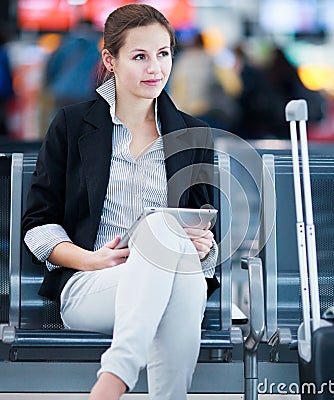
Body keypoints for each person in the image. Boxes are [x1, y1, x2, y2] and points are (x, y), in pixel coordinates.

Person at [21, 4, 219, 400]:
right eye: (140, 56)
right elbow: (37, 225)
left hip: (173, 277)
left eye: (163, 54)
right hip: (92, 283)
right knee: (168, 246)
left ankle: (115, 378)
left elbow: (207, 232)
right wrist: (91, 259)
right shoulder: (73, 125)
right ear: (110, 60)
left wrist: (205, 246)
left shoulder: (192, 133)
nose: (155, 69)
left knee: (174, 254)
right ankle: (119, 373)